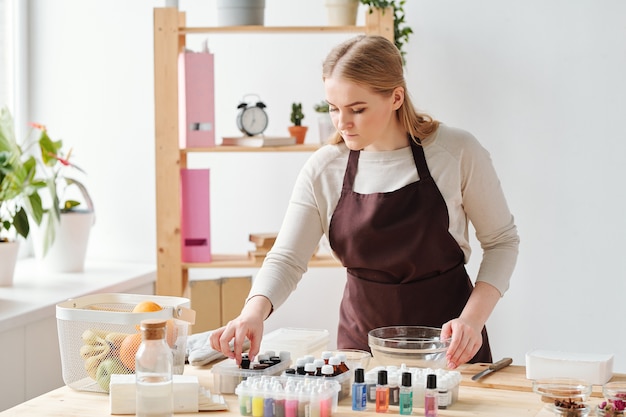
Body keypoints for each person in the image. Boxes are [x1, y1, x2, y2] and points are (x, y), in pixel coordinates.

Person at [210, 35, 519, 370]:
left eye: (357, 109)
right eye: (333, 109)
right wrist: (252, 313)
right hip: (361, 351)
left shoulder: (456, 151)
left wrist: (471, 321)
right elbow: (286, 259)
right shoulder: (324, 169)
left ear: (396, 97)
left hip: (448, 348)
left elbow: (502, 242)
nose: (342, 123)